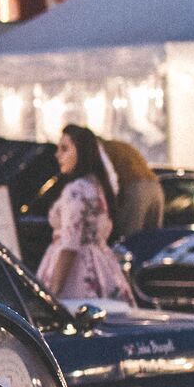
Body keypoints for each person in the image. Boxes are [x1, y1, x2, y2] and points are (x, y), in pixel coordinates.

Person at [35, 124, 138, 304]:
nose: (57, 155)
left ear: (80, 152)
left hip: (76, 276)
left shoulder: (76, 190)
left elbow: (70, 245)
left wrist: (53, 294)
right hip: (102, 266)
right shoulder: (97, 186)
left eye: (65, 149)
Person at [100, 135, 163, 237]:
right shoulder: (121, 146)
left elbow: (108, 179)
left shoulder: (103, 150)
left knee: (130, 235)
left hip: (135, 188)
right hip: (155, 186)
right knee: (153, 235)